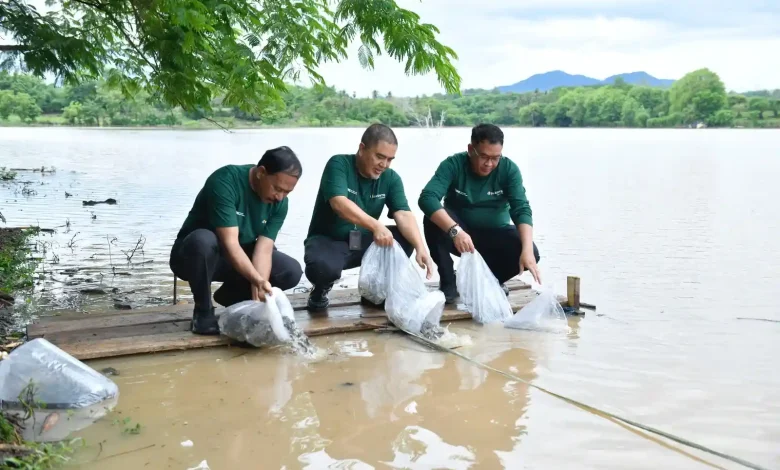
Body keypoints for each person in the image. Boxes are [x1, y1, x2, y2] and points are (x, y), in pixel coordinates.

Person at [169, 146, 304, 335]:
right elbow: (230, 243)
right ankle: (203, 311)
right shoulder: (225, 181)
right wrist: (256, 279)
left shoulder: (280, 204)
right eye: (277, 188)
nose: (280, 197)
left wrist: (259, 292)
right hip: (196, 257)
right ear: (261, 173)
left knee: (290, 270)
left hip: (236, 260)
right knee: (203, 241)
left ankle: (232, 298)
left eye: (287, 192)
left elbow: (264, 249)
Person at [304, 123, 435, 310]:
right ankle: (320, 290)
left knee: (404, 240)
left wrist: (421, 248)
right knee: (322, 268)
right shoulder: (338, 164)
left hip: (361, 241)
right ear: (362, 148)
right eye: (379, 157)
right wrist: (376, 226)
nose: (384, 165)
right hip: (329, 241)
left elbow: (404, 214)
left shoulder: (391, 178)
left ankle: (374, 293)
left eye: (390, 159)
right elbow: (339, 203)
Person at [418, 123, 541, 304]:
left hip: (494, 236)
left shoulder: (509, 170)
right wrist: (455, 231)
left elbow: (521, 209)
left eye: (495, 158)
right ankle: (448, 281)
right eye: (484, 157)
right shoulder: (453, 164)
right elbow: (427, 198)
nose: (489, 164)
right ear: (471, 150)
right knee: (432, 219)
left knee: (530, 250)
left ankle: (490, 280)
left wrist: (527, 250)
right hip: (459, 236)